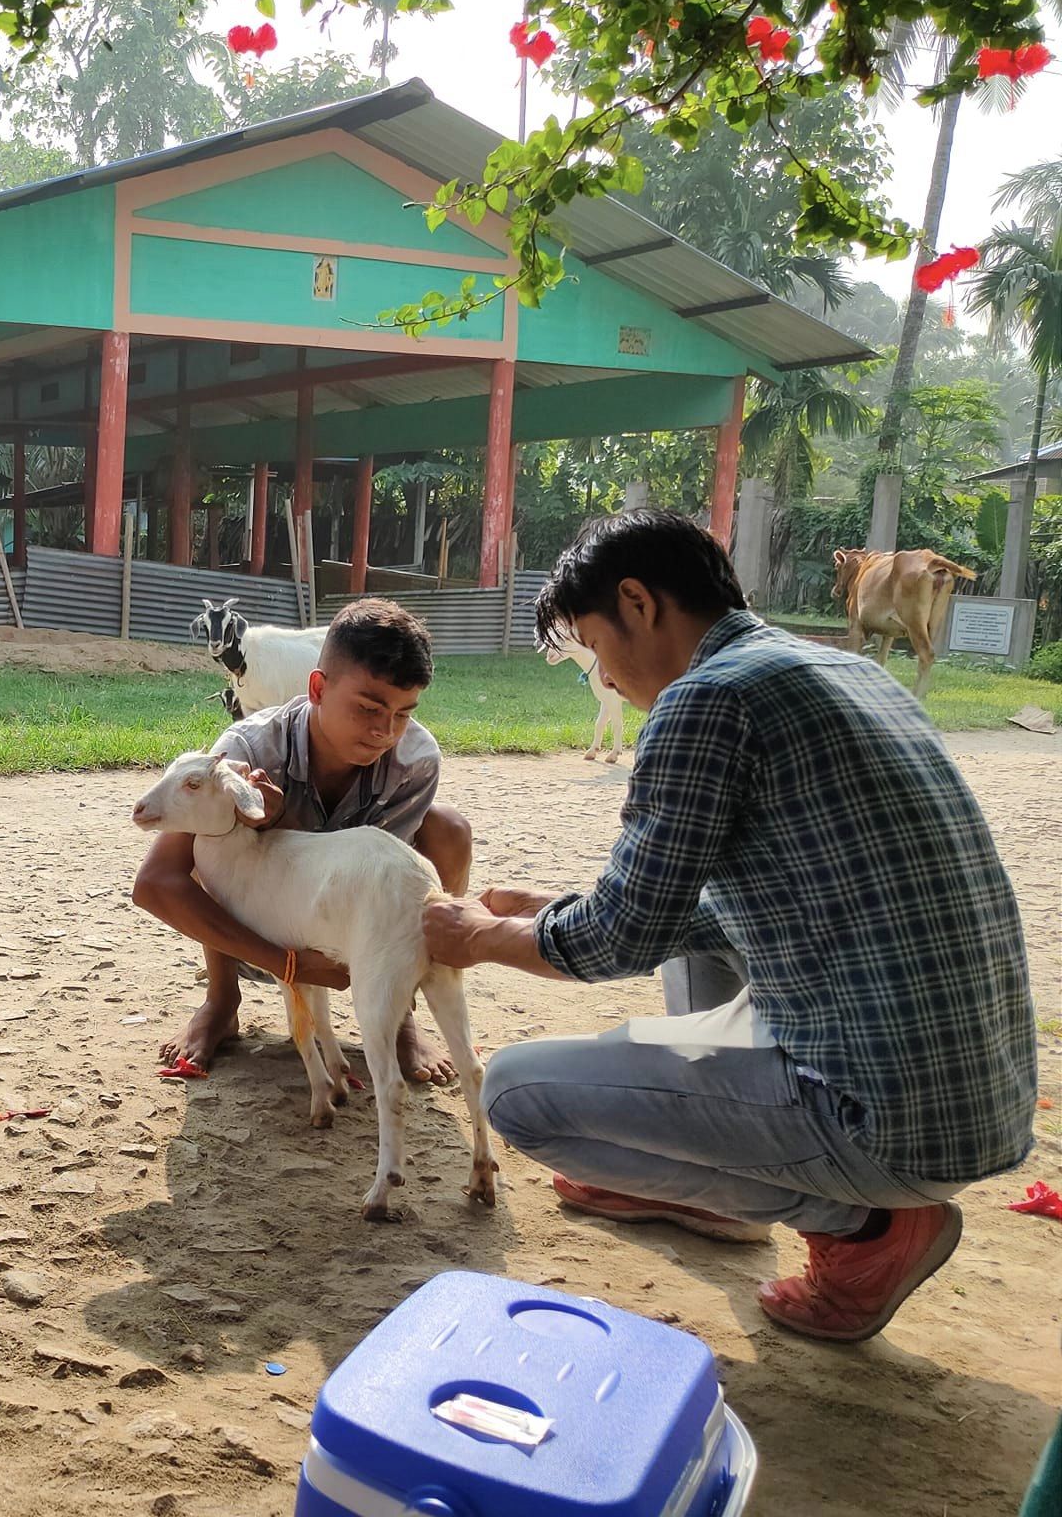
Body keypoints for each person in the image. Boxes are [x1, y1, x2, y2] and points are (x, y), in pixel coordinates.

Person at [423, 510, 1034, 1343]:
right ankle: (709, 1179)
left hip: (883, 1124)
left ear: (637, 602)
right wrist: (555, 906)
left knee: (520, 1096)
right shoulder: (843, 669)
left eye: (596, 645)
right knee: (692, 928)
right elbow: (709, 904)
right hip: (974, 1097)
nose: (605, 671)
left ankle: (862, 1228)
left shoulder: (704, 699)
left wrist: (475, 935)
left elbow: (620, 941)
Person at [134, 598, 474, 1083]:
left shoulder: (415, 760)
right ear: (317, 687)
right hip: (260, 937)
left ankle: (401, 1015)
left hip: (349, 930)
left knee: (448, 829)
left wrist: (281, 821)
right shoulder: (247, 750)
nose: (384, 731)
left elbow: (385, 882)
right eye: (368, 708)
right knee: (209, 835)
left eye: (402, 714)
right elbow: (156, 883)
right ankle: (222, 998)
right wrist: (288, 965)